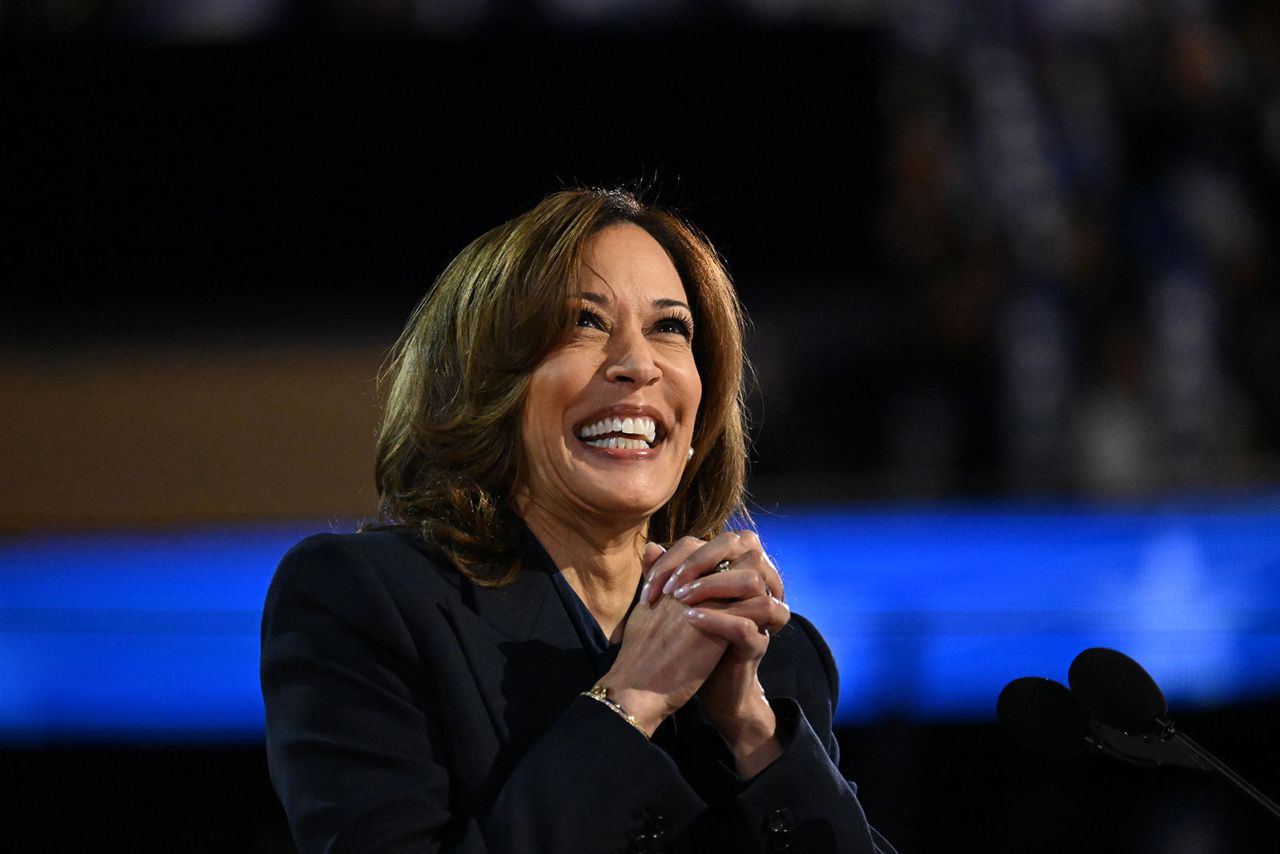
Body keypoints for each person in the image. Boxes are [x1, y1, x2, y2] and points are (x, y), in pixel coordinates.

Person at [260, 188, 896, 853]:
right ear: (486, 380)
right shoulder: (364, 601)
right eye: (584, 323)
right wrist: (630, 702)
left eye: (669, 328)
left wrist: (753, 734)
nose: (638, 365)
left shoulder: (775, 659)